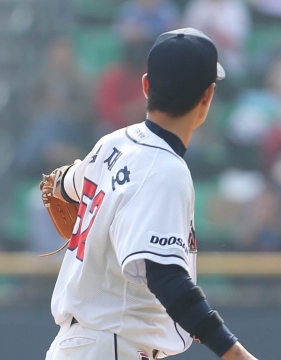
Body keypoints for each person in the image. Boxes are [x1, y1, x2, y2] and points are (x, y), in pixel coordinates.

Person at [43, 28, 257, 360]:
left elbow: (61, 184)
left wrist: (68, 183)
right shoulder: (164, 169)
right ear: (208, 96)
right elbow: (165, 276)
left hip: (80, 344)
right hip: (112, 345)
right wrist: (236, 354)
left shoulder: (112, 143)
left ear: (146, 86)